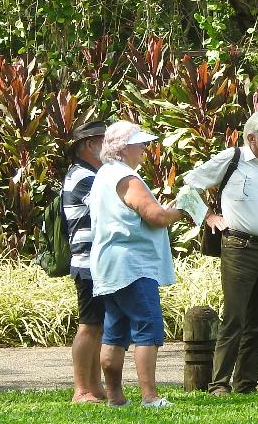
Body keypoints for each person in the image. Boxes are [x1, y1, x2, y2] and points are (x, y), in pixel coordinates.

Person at [182, 111, 258, 396]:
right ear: (251, 138)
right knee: (234, 318)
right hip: (239, 248)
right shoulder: (232, 159)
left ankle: (246, 384)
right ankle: (219, 384)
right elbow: (188, 185)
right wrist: (208, 216)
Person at [89, 120, 186, 408]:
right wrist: (184, 206)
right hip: (132, 265)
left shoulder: (103, 174)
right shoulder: (127, 178)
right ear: (123, 148)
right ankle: (150, 397)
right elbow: (156, 216)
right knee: (148, 328)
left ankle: (116, 397)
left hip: (108, 264)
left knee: (115, 332)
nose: (144, 148)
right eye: (140, 143)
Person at [62, 119, 109, 403]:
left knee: (98, 326)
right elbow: (108, 204)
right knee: (89, 325)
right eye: (105, 141)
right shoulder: (83, 176)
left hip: (98, 261)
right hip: (88, 262)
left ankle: (96, 385)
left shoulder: (92, 173)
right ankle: (81, 389)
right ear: (90, 145)